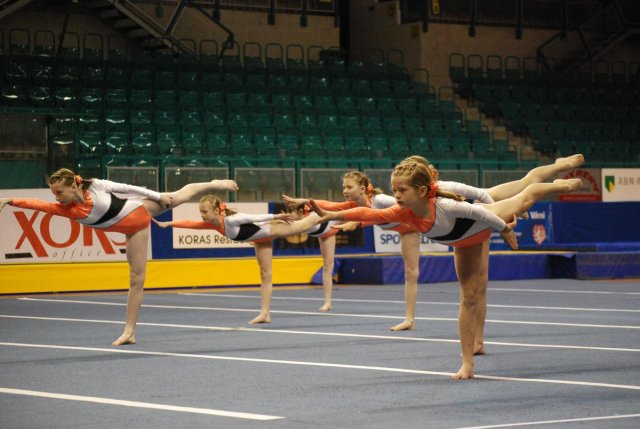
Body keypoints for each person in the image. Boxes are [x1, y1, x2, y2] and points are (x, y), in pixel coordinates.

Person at [309, 157, 583, 380]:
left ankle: (559, 176)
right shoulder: (402, 211)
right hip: (462, 240)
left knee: (529, 189)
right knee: (468, 296)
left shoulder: (445, 203)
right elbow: (368, 214)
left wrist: (504, 225)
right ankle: (467, 363)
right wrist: (334, 215)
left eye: (401, 190)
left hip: (483, 218)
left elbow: (479, 210)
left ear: (422, 189)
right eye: (394, 190)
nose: (396, 196)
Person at [0, 168, 238, 346]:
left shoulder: (96, 187)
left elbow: (127, 188)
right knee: (136, 279)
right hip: (133, 230)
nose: (56, 197)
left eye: (59, 192)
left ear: (73, 186)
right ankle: (130, 332)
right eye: (54, 193)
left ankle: (213, 183)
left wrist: (157, 195)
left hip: (141, 209)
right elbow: (37, 204)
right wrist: (11, 201)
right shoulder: (64, 209)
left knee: (179, 195)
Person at [153, 194, 327, 324]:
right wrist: (168, 224)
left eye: (205, 211)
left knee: (302, 226)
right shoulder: (214, 224)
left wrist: (276, 216)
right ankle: (265, 313)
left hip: (271, 229)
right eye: (201, 212)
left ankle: (329, 211)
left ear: (216, 210)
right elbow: (191, 224)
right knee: (265, 274)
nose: (202, 215)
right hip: (260, 239)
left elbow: (253, 218)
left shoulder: (231, 220)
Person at [281, 171, 383, 313]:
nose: (345, 191)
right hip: (325, 228)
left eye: (349, 187)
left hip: (329, 230)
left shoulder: (374, 202)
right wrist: (305, 201)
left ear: (362, 189)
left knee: (328, 266)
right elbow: (329, 204)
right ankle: (327, 303)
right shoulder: (348, 205)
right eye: (344, 188)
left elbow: (371, 217)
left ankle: (327, 302)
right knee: (325, 264)